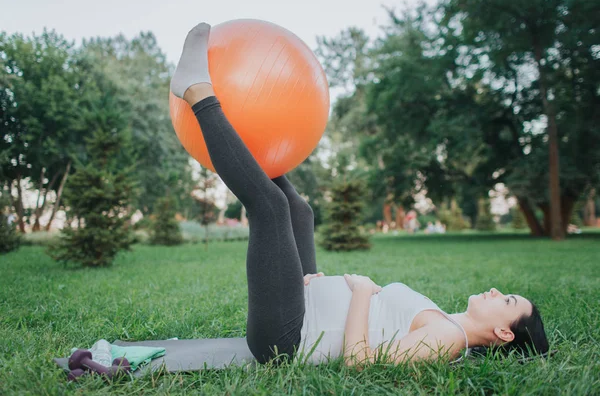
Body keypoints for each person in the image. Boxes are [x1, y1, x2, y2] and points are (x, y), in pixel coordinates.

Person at [170, 23, 549, 367]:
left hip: (286, 340)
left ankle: (197, 91)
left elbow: (358, 361)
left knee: (270, 206)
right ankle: (245, 128)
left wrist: (364, 292)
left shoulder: (450, 338)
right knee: (299, 212)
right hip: (305, 311)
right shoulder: (446, 324)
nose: (498, 292)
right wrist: (321, 289)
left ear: (504, 334)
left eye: (508, 302)